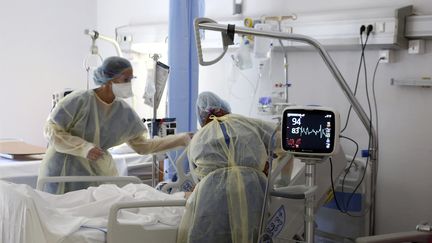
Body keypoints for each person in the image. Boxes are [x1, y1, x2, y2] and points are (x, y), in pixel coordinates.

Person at [38, 56, 191, 194]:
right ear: (109, 79)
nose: (129, 84)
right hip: (62, 170)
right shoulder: (78, 101)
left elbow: (142, 146)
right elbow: (51, 130)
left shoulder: (124, 112)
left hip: (94, 172)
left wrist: (182, 139)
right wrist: (83, 148)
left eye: (131, 79)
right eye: (125, 80)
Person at [177, 91, 293, 243]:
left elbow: (198, 176)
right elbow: (285, 142)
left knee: (212, 235)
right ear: (224, 106)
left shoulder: (199, 138)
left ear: (200, 116)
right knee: (255, 233)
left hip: (212, 195)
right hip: (252, 189)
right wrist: (281, 182)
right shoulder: (246, 123)